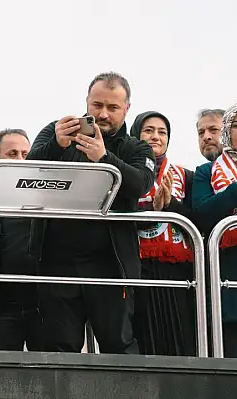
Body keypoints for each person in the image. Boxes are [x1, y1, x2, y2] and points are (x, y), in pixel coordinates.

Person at [27, 71, 153, 354]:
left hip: (111, 264)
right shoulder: (56, 131)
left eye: (113, 108)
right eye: (97, 106)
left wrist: (104, 159)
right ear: (86, 102)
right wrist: (56, 146)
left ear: (127, 109)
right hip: (57, 262)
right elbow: (28, 173)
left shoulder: (136, 146)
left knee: (118, 346)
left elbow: (141, 185)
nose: (104, 114)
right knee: (60, 348)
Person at [129, 111, 196, 356]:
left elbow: (196, 218)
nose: (155, 136)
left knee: (181, 340)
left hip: (177, 270)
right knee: (143, 339)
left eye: (162, 132)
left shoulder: (185, 175)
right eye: (148, 130)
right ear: (136, 134)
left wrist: (170, 206)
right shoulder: (126, 172)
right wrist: (152, 209)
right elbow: (117, 211)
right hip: (136, 268)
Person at [0, 129, 42, 351]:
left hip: (42, 302)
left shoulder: (47, 198)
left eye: (25, 154)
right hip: (1, 304)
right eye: (12, 154)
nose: (20, 160)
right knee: (1, 377)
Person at [193, 103, 237, 358]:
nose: (207, 137)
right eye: (201, 132)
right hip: (225, 278)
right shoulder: (204, 173)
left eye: (213, 129)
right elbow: (201, 216)